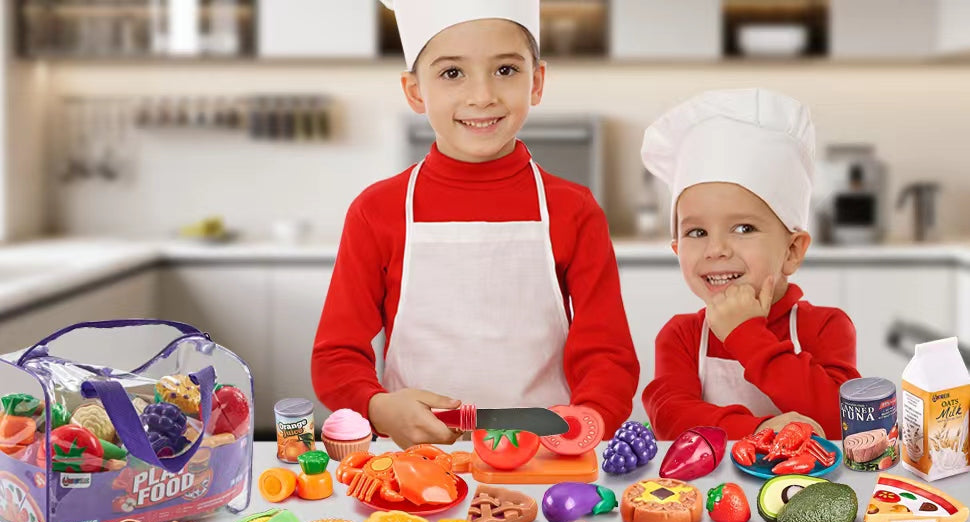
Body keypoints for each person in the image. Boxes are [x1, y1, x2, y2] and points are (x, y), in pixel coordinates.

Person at [311, 0, 639, 449]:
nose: (482, 95)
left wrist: (589, 421)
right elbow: (336, 354)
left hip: (545, 455)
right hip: (420, 457)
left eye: (505, 70)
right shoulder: (377, 210)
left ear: (536, 82)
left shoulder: (574, 209)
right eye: (452, 73)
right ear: (415, 91)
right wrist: (377, 406)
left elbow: (608, 355)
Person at [640, 88, 860, 440]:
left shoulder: (825, 328)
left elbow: (841, 422)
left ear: (792, 251)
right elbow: (669, 418)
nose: (716, 249)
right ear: (677, 249)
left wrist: (746, 335)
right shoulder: (681, 336)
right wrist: (759, 431)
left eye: (744, 228)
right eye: (697, 232)